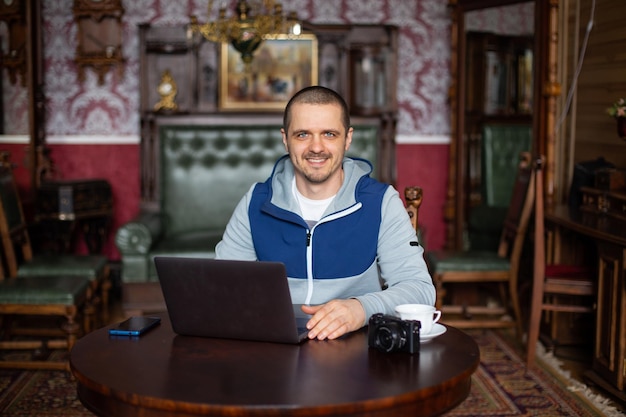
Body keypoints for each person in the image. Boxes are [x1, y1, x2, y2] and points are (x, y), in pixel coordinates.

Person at [216, 85, 435, 340]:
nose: (316, 147)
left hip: (356, 348)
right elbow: (223, 287)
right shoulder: (256, 201)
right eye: (303, 135)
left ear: (348, 138)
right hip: (274, 345)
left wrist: (360, 309)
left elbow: (420, 290)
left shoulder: (382, 202)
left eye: (329, 134)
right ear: (285, 139)